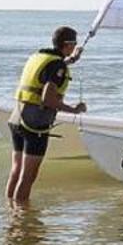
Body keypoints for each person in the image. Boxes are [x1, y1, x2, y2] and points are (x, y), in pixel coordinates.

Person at [7, 25, 85, 204]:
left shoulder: (40, 56)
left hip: (17, 117)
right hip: (34, 123)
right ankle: (21, 220)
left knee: (16, 171)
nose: (75, 47)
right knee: (28, 176)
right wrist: (74, 109)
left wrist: (71, 60)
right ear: (68, 44)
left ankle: (11, 215)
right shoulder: (58, 65)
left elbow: (52, 69)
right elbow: (48, 99)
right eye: (74, 44)